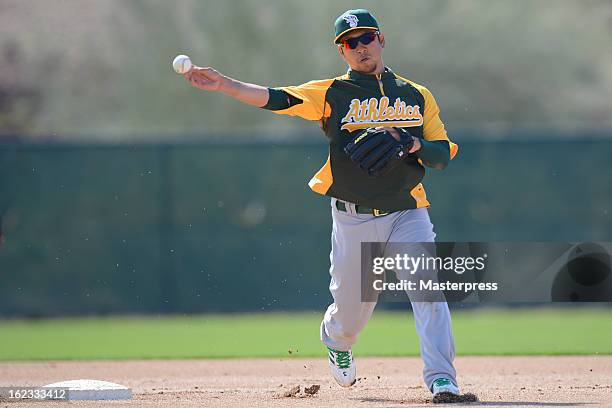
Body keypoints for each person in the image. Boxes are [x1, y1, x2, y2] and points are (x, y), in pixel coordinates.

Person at [185, 8, 465, 402]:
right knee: (352, 314)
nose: (359, 47)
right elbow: (277, 98)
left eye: (365, 38)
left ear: (381, 40)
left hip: (408, 212)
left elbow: (442, 155)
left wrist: (412, 142)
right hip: (353, 217)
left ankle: (442, 380)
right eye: (349, 43)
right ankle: (336, 339)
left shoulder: (416, 95)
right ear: (342, 52)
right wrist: (225, 84)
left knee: (427, 291)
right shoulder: (333, 93)